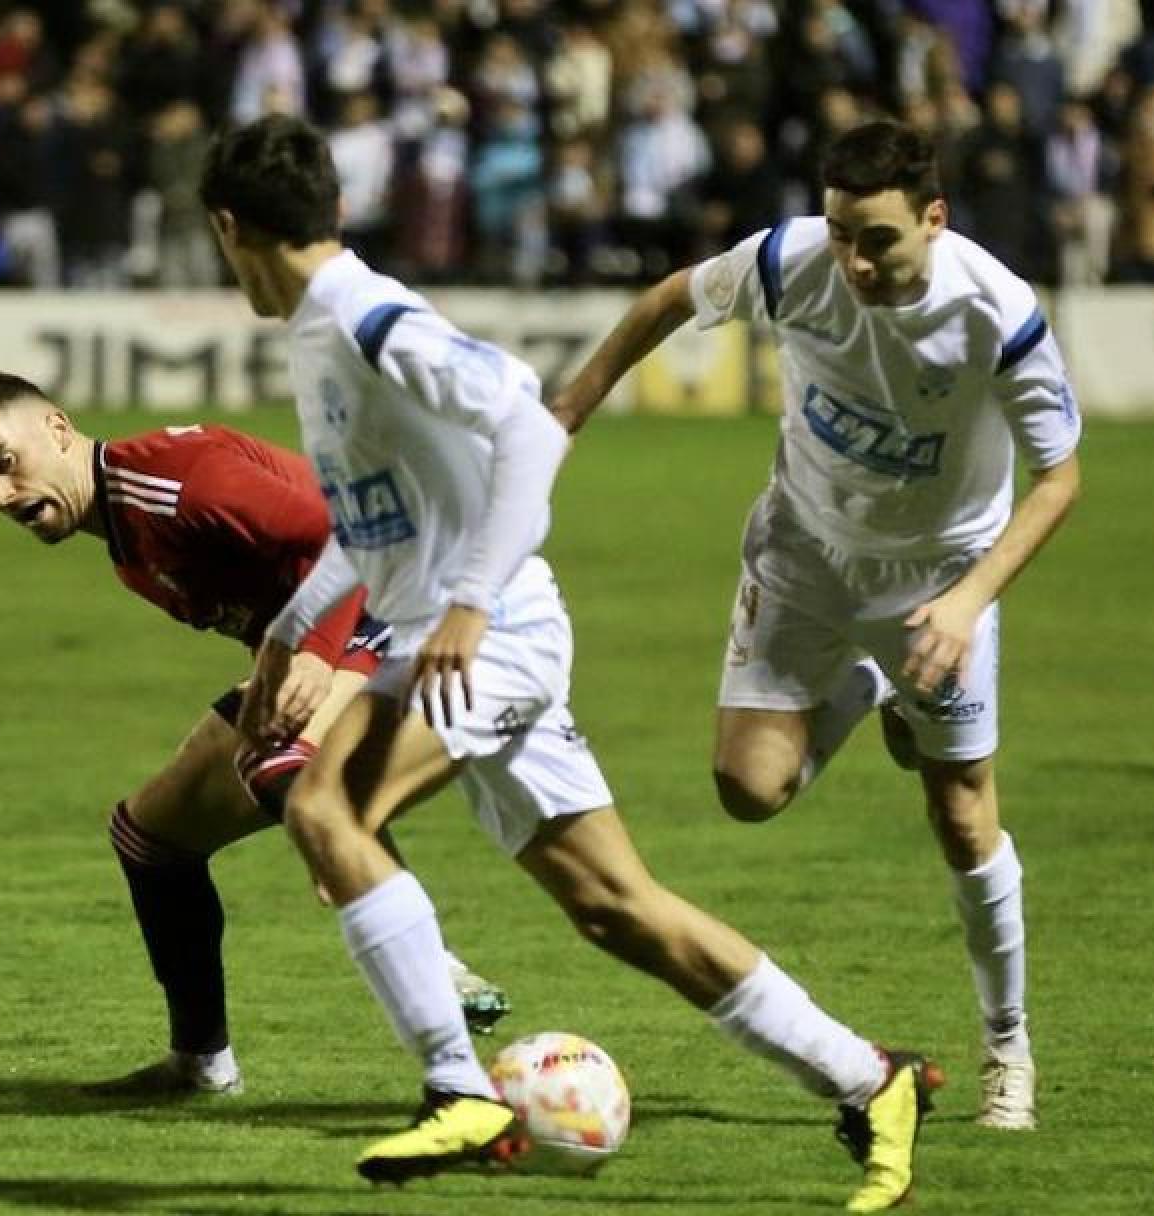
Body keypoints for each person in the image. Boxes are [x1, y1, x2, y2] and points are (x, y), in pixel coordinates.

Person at [204, 113, 937, 1211]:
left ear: (228, 229)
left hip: (488, 638)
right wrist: (288, 626)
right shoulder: (322, 326)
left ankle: (461, 1088)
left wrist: (468, 598)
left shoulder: (368, 318)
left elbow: (534, 430)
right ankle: (870, 1078)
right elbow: (373, 522)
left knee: (325, 812)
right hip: (459, 636)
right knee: (614, 904)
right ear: (334, 207)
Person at [551, 119, 1083, 1132]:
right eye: (841, 231)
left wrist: (970, 601)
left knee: (963, 817)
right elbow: (670, 299)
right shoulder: (791, 261)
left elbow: (1061, 478)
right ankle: (876, 686)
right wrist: (569, 408)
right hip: (801, 551)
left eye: (877, 238)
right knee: (747, 790)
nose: (854, 259)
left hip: (935, 579)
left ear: (935, 218)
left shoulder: (996, 313)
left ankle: (1007, 1045)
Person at [0, 379, 514, 1097]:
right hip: (355, 627)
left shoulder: (175, 485)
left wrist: (317, 656)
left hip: (413, 608)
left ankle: (437, 965)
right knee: (150, 837)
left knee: (275, 761)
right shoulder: (128, 538)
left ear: (56, 427)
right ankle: (199, 1066)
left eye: (3, 462)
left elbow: (350, 531)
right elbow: (276, 607)